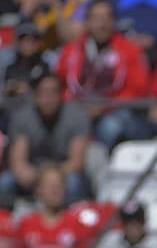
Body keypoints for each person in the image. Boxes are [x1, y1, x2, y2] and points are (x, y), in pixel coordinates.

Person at [56, 0, 152, 149]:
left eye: (107, 18)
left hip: (116, 112)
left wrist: (105, 106)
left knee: (109, 127)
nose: (102, 24)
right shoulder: (71, 51)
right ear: (87, 22)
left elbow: (138, 90)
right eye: (96, 18)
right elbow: (59, 85)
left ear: (114, 22)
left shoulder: (130, 51)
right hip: (78, 108)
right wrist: (79, 107)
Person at [0, 70, 90, 209]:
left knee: (74, 181)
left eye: (53, 92)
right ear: (35, 96)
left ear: (61, 94)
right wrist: (40, 178)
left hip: (63, 175)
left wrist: (51, 179)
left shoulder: (76, 117)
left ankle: (73, 219)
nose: (48, 98)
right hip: (33, 174)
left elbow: (76, 163)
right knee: (7, 181)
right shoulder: (22, 117)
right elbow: (18, 162)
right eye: (43, 93)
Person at [14, 165, 94, 248]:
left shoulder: (78, 225)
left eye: (58, 185)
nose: (54, 190)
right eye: (49, 186)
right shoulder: (26, 224)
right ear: (39, 190)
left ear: (65, 188)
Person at [0, 21, 55, 104]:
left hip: (36, 109)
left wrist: (28, 91)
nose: (28, 42)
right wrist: (5, 90)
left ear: (39, 42)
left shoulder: (46, 65)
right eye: (23, 38)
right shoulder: (8, 65)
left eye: (34, 38)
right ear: (16, 41)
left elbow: (51, 98)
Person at [93, 201, 157, 248]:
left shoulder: (156, 243)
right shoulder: (111, 240)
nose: (131, 227)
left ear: (144, 223)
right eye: (127, 223)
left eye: (137, 222)